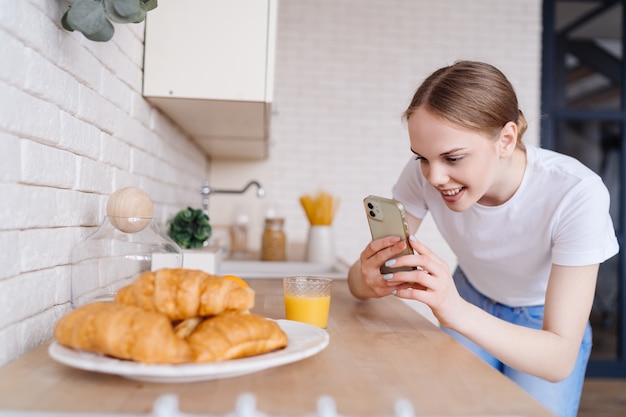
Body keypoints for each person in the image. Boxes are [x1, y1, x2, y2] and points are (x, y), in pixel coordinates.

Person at [348, 61, 619, 417]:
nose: (435, 177)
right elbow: (356, 282)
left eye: (453, 157)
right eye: (423, 158)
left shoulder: (576, 193)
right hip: (471, 293)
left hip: (542, 323)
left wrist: (454, 309)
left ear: (506, 139)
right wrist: (369, 279)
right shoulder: (423, 175)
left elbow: (558, 359)